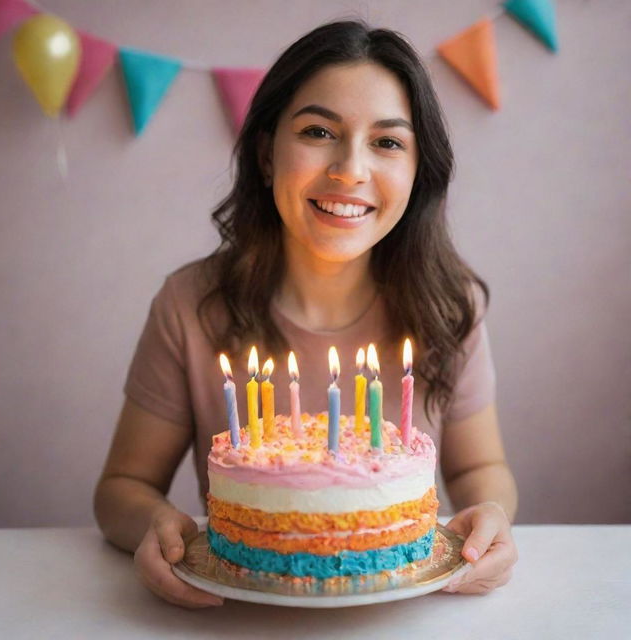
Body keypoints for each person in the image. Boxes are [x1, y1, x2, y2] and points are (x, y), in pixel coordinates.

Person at [94, 19, 518, 608]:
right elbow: (123, 487)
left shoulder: (450, 308)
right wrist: (154, 524)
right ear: (268, 154)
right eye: (319, 131)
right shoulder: (190, 305)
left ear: (419, 169)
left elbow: (483, 468)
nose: (350, 170)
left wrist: (492, 514)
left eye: (388, 142)